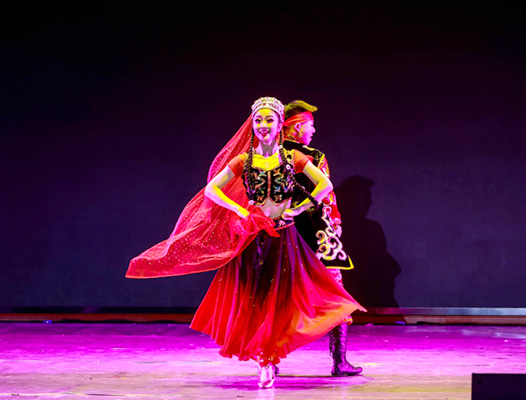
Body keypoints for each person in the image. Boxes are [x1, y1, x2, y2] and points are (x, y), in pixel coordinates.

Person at [126, 97, 364, 389]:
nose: (263, 125)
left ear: (280, 124)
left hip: (286, 237)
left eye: (269, 120)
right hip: (254, 237)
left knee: (291, 299)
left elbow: (324, 184)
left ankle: (288, 357)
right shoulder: (244, 160)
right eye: (258, 120)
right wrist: (240, 210)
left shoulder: (294, 158)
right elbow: (212, 189)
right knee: (257, 300)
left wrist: (300, 208)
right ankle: (266, 361)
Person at [282, 100, 362, 376]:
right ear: (296, 127)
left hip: (282, 230)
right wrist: (334, 226)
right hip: (316, 233)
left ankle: (269, 360)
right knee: (335, 294)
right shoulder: (313, 157)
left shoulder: (269, 157)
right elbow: (327, 196)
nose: (314, 130)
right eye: (310, 125)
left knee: (277, 296)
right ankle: (339, 361)